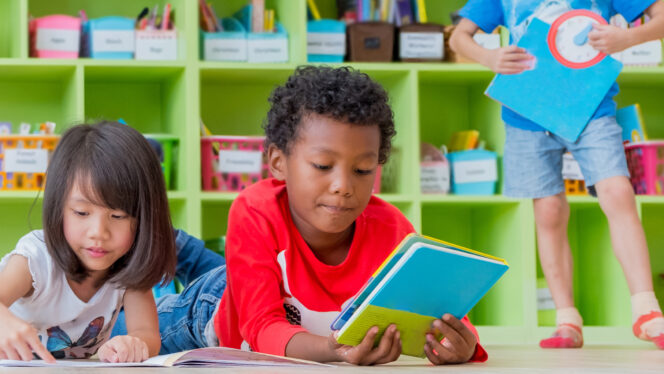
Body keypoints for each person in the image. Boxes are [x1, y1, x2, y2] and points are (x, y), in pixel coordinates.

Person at [450, 0, 664, 349]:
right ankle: (567, 319)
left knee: (618, 192)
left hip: (592, 106)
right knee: (548, 211)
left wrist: (627, 38)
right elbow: (459, 38)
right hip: (525, 110)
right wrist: (489, 58)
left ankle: (646, 310)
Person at [0, 121, 177, 362]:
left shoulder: (126, 268)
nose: (98, 233)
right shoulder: (35, 259)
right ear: (58, 208)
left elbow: (147, 335)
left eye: (118, 216)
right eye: (82, 213)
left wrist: (132, 343)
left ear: (143, 218)